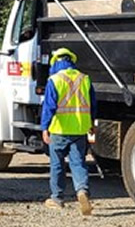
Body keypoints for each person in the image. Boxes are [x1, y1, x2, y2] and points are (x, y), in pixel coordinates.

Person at [40, 47, 96, 215]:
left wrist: (44, 128)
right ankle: (82, 190)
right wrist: (91, 123)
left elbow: (49, 107)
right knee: (78, 163)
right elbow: (92, 104)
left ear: (55, 63)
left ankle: (57, 198)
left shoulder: (54, 80)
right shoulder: (84, 79)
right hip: (79, 129)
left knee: (57, 164)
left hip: (59, 129)